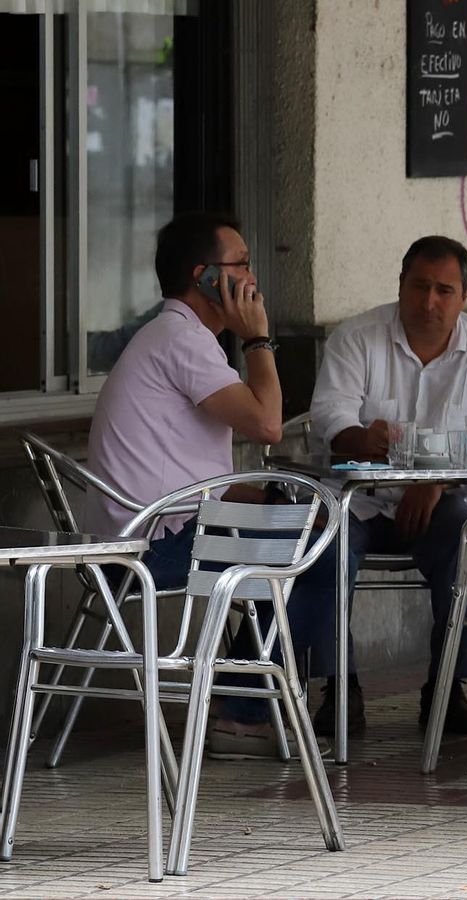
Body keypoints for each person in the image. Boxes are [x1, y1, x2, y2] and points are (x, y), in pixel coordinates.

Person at [86, 212, 322, 758]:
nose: (252, 278)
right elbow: (266, 422)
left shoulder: (175, 336)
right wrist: (259, 338)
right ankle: (244, 714)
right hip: (150, 549)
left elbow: (194, 478)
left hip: (143, 535)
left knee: (298, 524)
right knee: (311, 551)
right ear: (206, 278)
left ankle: (255, 701)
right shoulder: (182, 340)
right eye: (241, 265)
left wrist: (265, 497)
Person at [299, 235, 467, 737]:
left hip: (439, 507)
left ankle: (448, 688)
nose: (429, 302)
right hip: (358, 503)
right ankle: (339, 688)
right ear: (400, 285)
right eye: (419, 287)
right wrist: (363, 438)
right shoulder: (358, 337)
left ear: (465, 296)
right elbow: (330, 414)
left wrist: (434, 480)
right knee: (324, 541)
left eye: (444, 290)